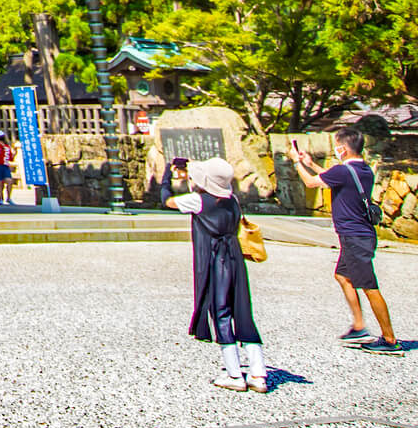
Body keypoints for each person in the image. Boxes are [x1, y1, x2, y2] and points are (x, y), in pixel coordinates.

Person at [289, 127, 401, 356]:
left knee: (369, 287)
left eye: (337, 146)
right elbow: (332, 179)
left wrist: (296, 163)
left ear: (343, 148)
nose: (335, 149)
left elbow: (311, 183)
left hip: (355, 237)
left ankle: (390, 340)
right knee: (342, 275)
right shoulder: (362, 169)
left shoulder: (344, 171)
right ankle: (359, 327)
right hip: (359, 235)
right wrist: (310, 162)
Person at [171, 157, 268, 392]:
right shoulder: (232, 200)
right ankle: (258, 373)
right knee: (243, 311)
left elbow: (168, 199)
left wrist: (170, 175)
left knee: (221, 312)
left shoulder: (197, 200)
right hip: (235, 257)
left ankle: (234, 374)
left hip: (215, 258)